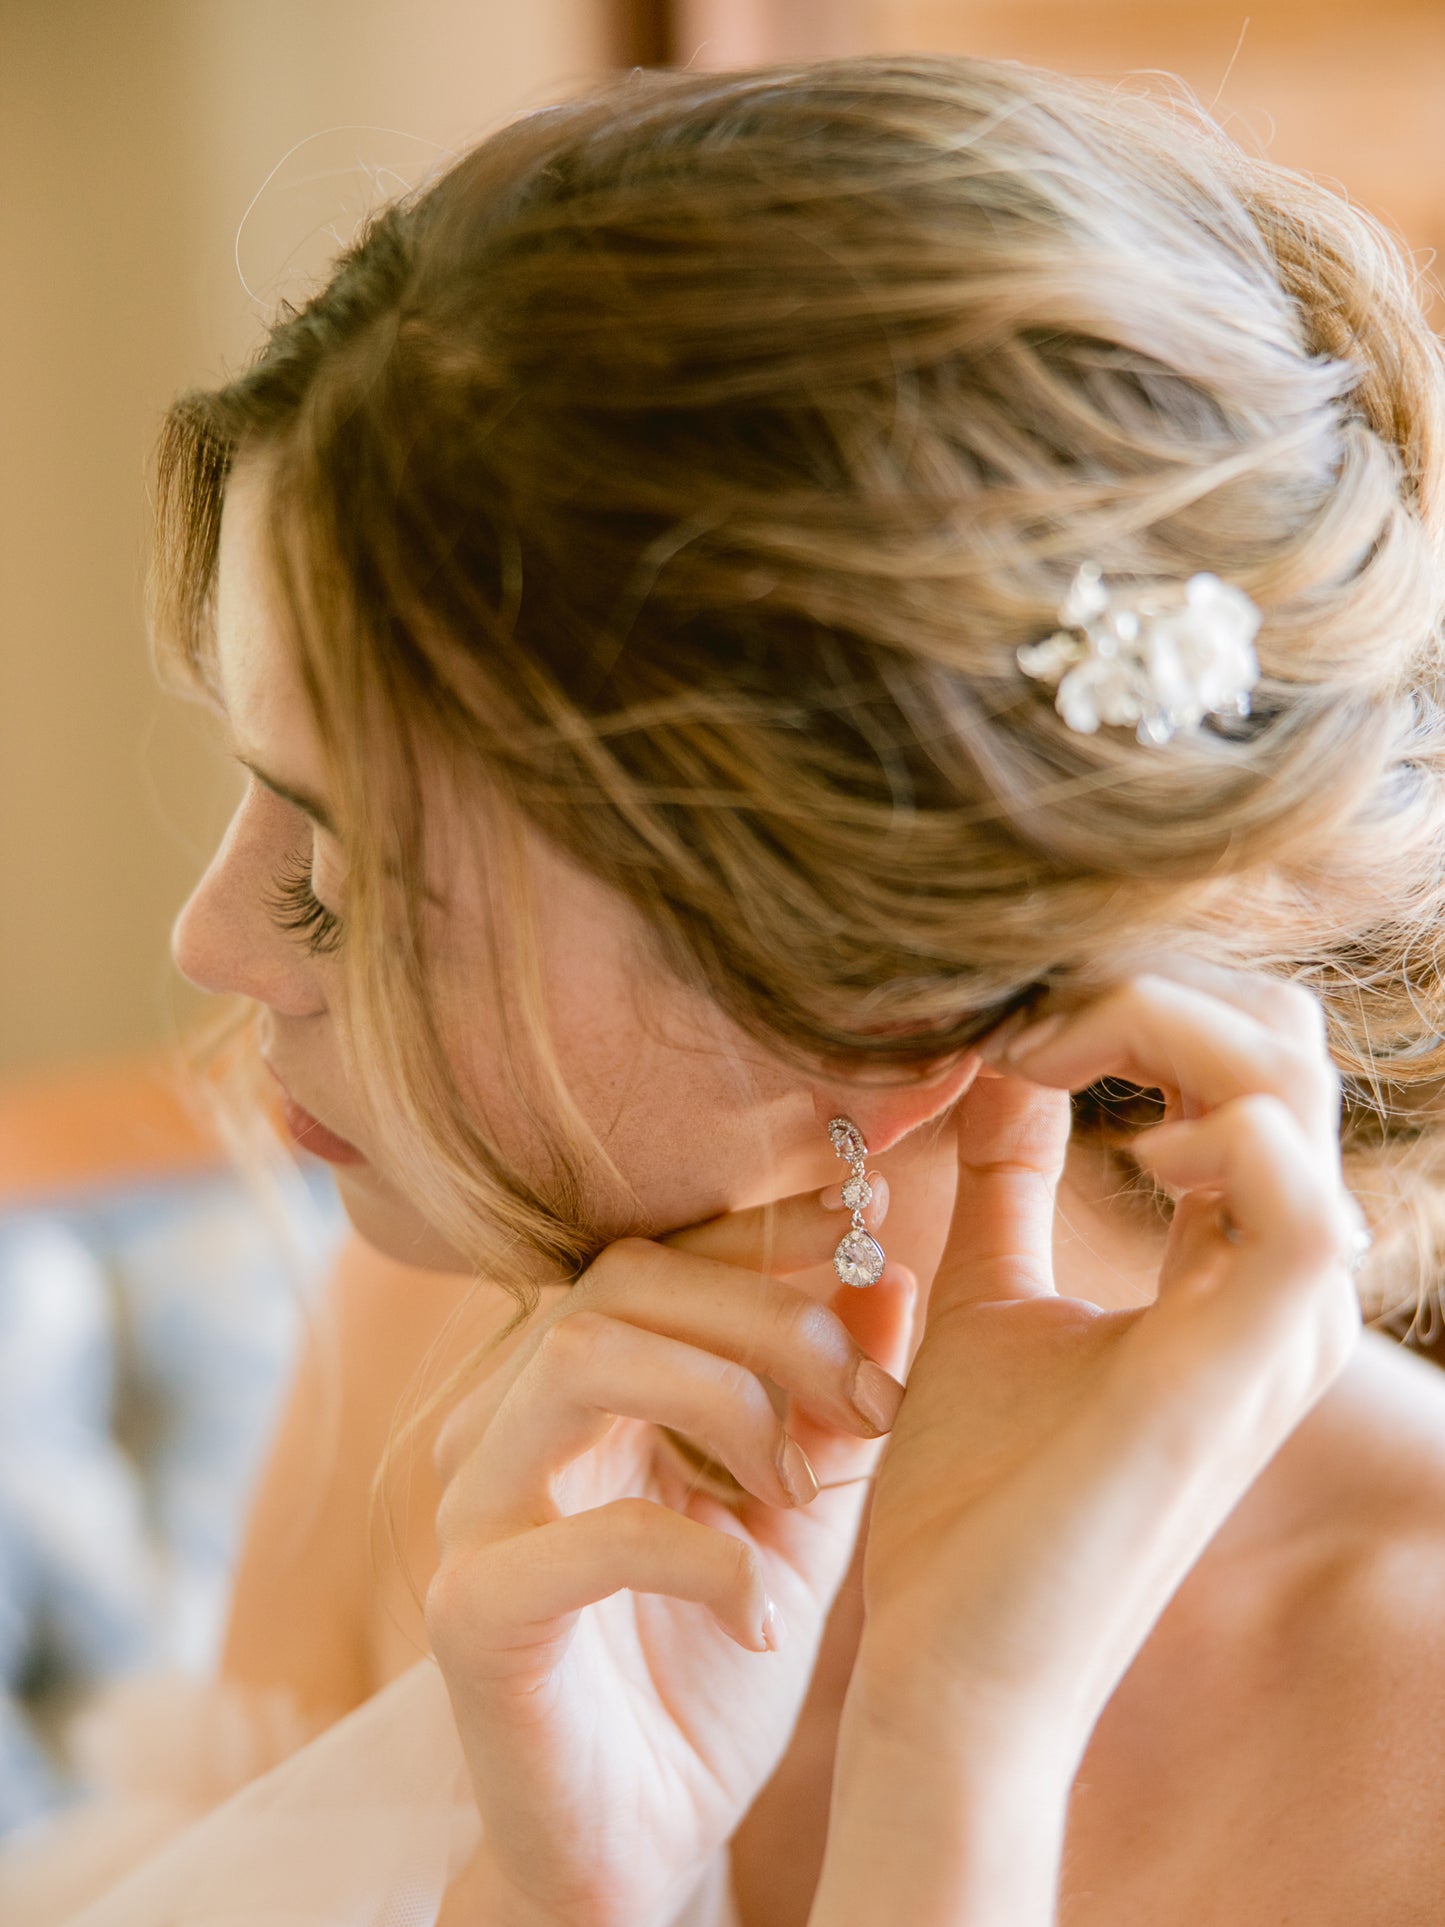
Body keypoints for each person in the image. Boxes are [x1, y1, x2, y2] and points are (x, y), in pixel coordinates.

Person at [6, 49, 1445, 1925]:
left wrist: (953, 1756)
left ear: (894, 996)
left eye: (360, 883)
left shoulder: (1405, 1712)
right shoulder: (455, 1349)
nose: (210, 942)